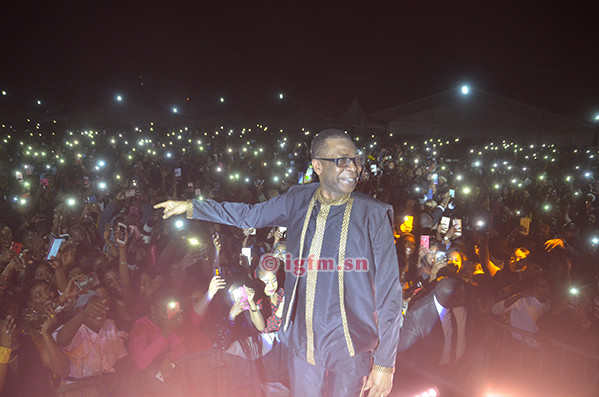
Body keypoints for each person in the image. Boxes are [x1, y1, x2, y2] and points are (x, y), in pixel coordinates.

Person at [155, 128, 402, 397]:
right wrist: (193, 207)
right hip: (303, 340)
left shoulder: (373, 214)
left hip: (351, 344)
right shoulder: (299, 199)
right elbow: (249, 216)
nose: (353, 168)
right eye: (342, 160)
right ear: (317, 165)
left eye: (356, 160)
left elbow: (390, 293)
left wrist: (385, 363)